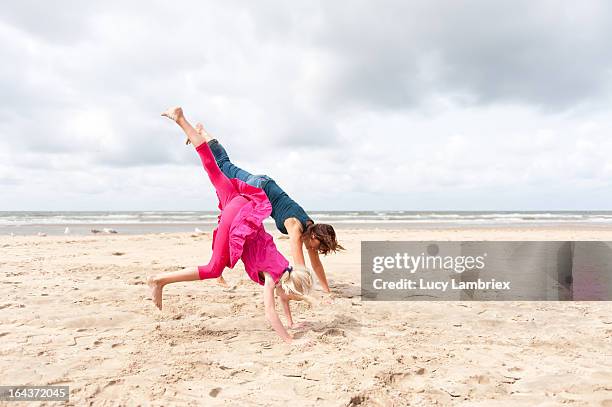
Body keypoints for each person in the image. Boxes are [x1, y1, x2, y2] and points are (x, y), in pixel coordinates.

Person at [147, 107, 313, 343]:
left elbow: (283, 298)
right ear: (287, 286)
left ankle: (181, 119)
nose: (284, 297)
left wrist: (293, 322)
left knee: (213, 167)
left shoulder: (286, 268)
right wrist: (289, 339)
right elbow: (270, 312)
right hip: (236, 218)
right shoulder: (272, 278)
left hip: (242, 202)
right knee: (214, 268)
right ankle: (160, 279)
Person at [188, 122, 343, 294]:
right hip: (258, 188)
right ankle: (199, 138)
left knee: (226, 165)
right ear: (315, 235)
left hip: (265, 184)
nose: (314, 249)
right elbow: (299, 263)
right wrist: (303, 289)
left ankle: (203, 133)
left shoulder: (310, 228)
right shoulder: (295, 226)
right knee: (223, 169)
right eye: (317, 245)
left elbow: (316, 264)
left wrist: (328, 291)